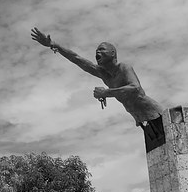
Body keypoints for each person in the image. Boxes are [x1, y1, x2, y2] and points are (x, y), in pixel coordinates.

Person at [31, 28, 166, 145]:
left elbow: (135, 88)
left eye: (101, 49)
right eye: (96, 51)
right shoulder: (104, 74)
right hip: (141, 119)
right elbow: (77, 59)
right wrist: (53, 45)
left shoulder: (123, 67)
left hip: (155, 114)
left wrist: (106, 92)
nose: (97, 53)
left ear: (113, 53)